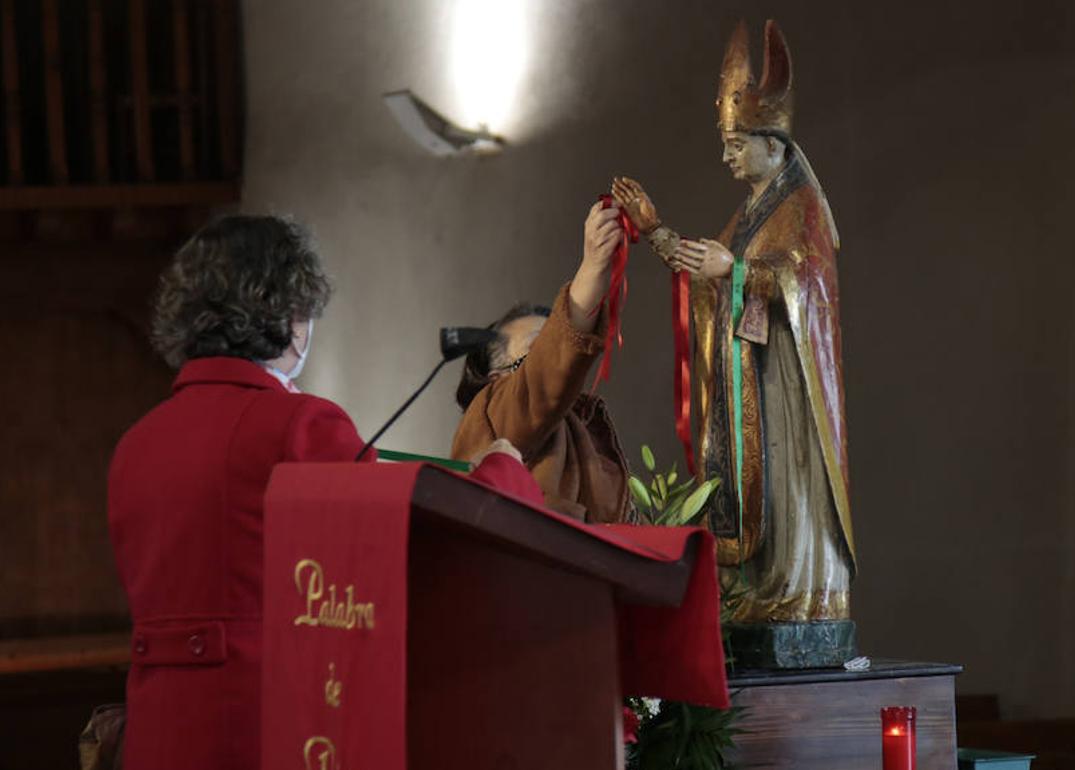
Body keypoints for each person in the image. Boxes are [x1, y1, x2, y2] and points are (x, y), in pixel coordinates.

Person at [107, 215, 533, 770]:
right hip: (256, 726)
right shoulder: (297, 424)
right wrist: (502, 472)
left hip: (157, 733)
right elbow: (407, 537)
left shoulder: (135, 444)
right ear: (291, 313)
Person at [612, 20, 856, 627]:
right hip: (752, 383)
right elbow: (708, 272)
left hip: (788, 393)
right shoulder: (750, 212)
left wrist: (740, 270)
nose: (726, 156)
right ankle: (755, 591)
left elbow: (807, 284)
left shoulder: (800, 207)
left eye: (736, 144)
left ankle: (796, 592)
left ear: (772, 143)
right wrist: (655, 231)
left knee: (788, 493)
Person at [451, 202, 636, 523]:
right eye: (535, 350)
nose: (550, 355)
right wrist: (593, 267)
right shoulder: (493, 411)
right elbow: (545, 374)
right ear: (496, 378)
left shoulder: (578, 428)